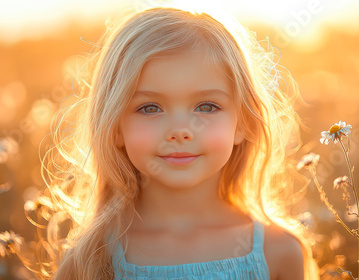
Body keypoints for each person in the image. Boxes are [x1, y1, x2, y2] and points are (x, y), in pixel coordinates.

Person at [40, 5, 319, 280]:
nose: (180, 131)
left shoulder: (278, 252)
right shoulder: (91, 260)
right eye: (150, 108)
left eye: (207, 107)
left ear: (243, 123)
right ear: (115, 127)